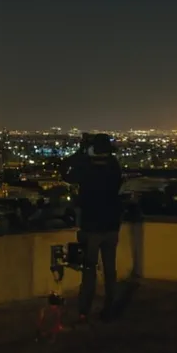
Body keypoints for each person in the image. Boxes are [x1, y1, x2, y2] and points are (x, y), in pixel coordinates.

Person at [65, 133, 124, 322]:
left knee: (89, 271)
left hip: (90, 226)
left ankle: (84, 310)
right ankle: (110, 308)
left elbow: (66, 174)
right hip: (111, 225)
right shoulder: (114, 166)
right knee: (110, 270)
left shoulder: (86, 166)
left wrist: (81, 152)